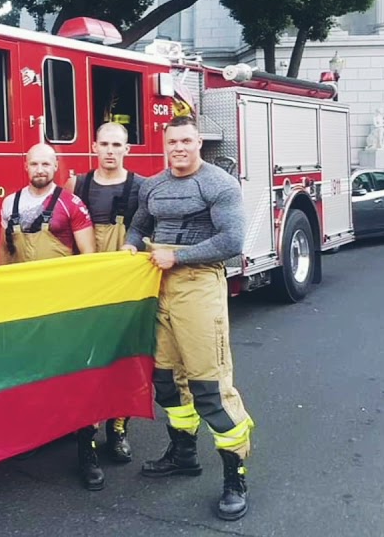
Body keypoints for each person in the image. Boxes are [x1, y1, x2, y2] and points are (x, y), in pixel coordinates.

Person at [122, 116, 254, 521]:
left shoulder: (218, 184)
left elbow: (232, 242)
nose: (178, 147)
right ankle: (183, 455)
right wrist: (130, 246)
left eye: (186, 140)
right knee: (166, 379)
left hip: (198, 284)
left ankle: (236, 475)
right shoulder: (153, 185)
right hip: (157, 283)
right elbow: (139, 224)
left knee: (208, 384)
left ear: (199, 142)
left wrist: (177, 256)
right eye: (172, 141)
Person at [0, 143, 104, 491]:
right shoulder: (9, 204)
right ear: (25, 166)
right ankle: (40, 434)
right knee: (31, 372)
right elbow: (3, 251)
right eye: (34, 163)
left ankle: (86, 448)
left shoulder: (71, 204)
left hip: (62, 306)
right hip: (23, 307)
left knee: (74, 375)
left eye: (47, 162)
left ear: (56, 166)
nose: (40, 168)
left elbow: (88, 256)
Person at [64, 122, 143, 465]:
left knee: (124, 360)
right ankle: (87, 433)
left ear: (127, 149)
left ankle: (119, 429)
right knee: (88, 361)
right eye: (105, 144)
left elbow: (146, 229)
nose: (110, 151)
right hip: (87, 289)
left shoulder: (141, 187)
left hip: (126, 289)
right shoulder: (77, 185)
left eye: (117, 145)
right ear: (93, 146)